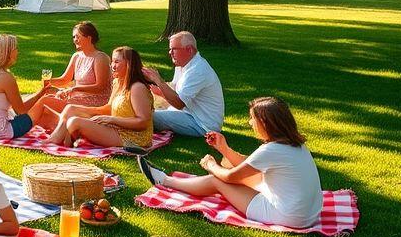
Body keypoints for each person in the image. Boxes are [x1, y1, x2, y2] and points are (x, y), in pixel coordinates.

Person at [138, 97, 324, 228]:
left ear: (266, 123)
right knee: (232, 166)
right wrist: (224, 149)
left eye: (253, 118)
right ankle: (170, 180)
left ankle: (165, 181)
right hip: (308, 215)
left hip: (288, 217)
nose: (250, 122)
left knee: (217, 180)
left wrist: (211, 165)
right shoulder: (295, 145)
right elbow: (251, 168)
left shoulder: (272, 150)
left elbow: (231, 177)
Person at [45, 46, 154, 148]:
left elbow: (143, 122)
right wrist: (82, 110)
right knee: (70, 109)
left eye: (117, 62)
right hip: (116, 128)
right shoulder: (117, 82)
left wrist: (111, 119)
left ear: (129, 64)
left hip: (133, 138)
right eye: (112, 61)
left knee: (74, 122)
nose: (112, 66)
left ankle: (58, 145)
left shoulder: (137, 88)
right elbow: (109, 108)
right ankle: (57, 142)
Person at [0, 34, 57, 139]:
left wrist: (38, 93)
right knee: (44, 102)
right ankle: (62, 130)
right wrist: (40, 95)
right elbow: (21, 111)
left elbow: (2, 103)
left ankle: (59, 127)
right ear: (9, 52)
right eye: (16, 49)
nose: (18, 52)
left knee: (30, 101)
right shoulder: (6, 78)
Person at [143, 31, 224, 137]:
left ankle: (124, 132)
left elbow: (179, 103)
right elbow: (175, 91)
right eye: (170, 49)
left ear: (189, 49)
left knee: (146, 115)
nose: (170, 52)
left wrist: (159, 81)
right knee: (144, 109)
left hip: (202, 125)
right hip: (188, 114)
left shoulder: (197, 70)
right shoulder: (184, 65)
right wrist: (159, 91)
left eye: (174, 49)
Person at [41, 21, 111, 112]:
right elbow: (65, 79)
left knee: (47, 104)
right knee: (45, 99)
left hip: (96, 101)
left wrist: (74, 89)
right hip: (77, 97)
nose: (75, 40)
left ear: (89, 38)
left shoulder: (100, 58)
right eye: (74, 37)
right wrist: (48, 82)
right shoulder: (76, 56)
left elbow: (100, 87)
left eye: (78, 36)